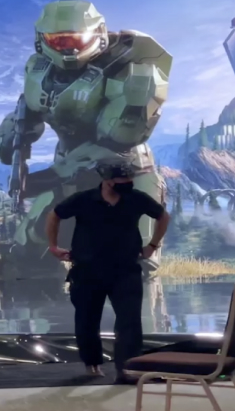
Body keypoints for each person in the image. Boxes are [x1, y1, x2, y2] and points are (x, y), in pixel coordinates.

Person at [46, 160, 170, 382]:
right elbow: (55, 215)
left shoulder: (136, 198)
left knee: (129, 320)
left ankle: (128, 367)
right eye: (122, 179)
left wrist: (153, 245)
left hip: (126, 269)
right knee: (87, 319)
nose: (128, 182)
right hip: (87, 270)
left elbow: (163, 216)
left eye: (130, 178)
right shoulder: (84, 199)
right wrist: (53, 246)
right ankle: (92, 364)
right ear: (107, 180)